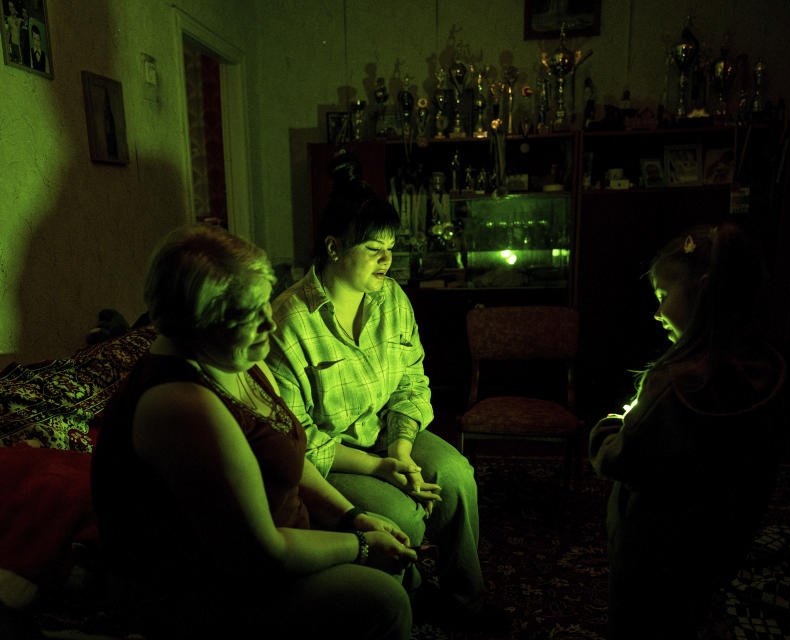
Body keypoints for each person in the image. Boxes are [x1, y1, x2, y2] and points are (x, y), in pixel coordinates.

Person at [91, 224, 416, 639]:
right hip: (209, 590)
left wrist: (354, 516)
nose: (269, 323)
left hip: (282, 542)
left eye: (265, 304)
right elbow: (265, 554)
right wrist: (362, 545)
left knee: (397, 555)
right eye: (249, 314)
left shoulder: (239, 357)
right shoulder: (182, 405)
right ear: (196, 322)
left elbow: (292, 458)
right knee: (384, 600)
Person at [267, 151, 506, 633]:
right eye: (374, 249)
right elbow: (302, 441)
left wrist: (401, 450)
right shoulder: (288, 323)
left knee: (456, 475)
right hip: (333, 459)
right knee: (404, 514)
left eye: (391, 247)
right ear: (334, 249)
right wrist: (380, 467)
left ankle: (465, 600)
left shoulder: (391, 298)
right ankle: (407, 610)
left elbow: (411, 380)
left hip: (384, 436)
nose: (387, 260)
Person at [589, 223, 787, 640]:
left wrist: (610, 427)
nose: (657, 312)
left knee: (637, 623)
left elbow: (620, 457)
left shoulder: (677, 386)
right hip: (715, 543)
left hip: (651, 551)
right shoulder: (765, 370)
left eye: (663, 297)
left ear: (702, 291)